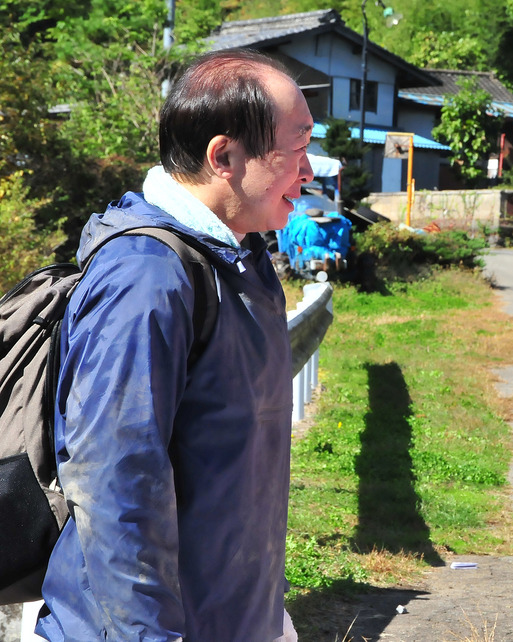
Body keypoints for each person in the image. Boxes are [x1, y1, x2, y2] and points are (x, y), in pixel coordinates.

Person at [35, 49, 313, 641]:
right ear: (224, 157)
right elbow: (114, 485)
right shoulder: (146, 277)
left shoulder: (239, 256)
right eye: (297, 148)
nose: (308, 171)